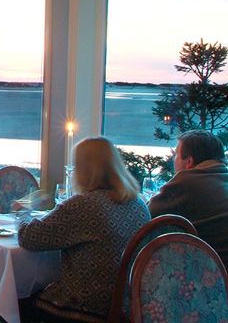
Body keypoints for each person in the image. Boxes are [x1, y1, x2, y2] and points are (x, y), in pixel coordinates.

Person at [17, 137, 149, 322]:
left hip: (86, 306)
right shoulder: (138, 203)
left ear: (83, 169)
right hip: (128, 304)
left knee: (21, 297)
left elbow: (28, 237)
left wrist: (24, 212)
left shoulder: (83, 205)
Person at [148, 130, 228, 265]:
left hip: (210, 273)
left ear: (189, 161)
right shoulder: (222, 178)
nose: (173, 160)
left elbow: (145, 215)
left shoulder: (186, 181)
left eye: (176, 155)